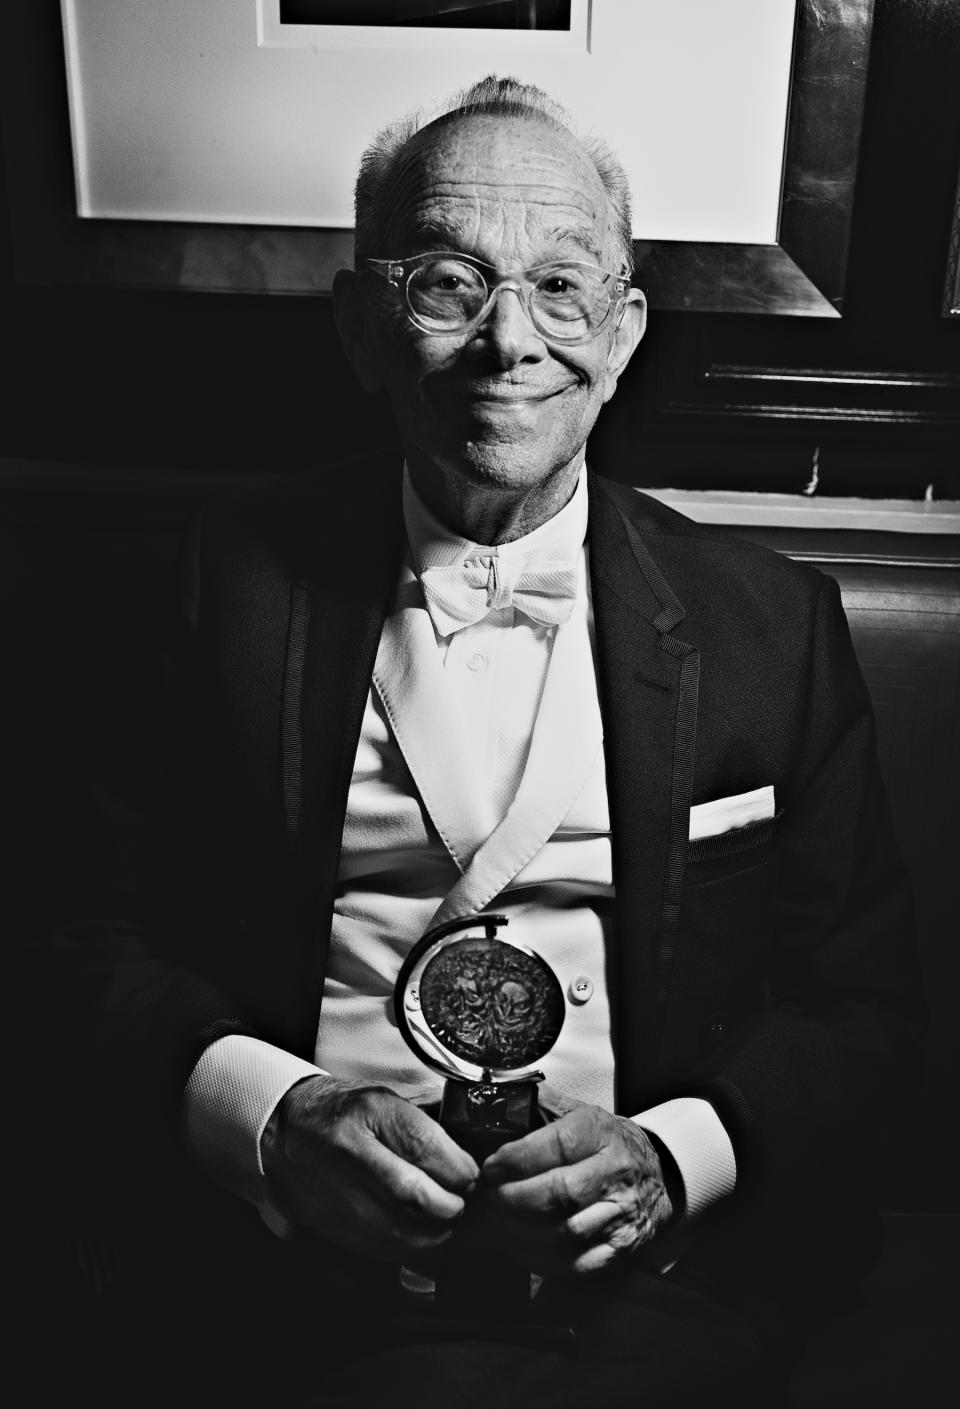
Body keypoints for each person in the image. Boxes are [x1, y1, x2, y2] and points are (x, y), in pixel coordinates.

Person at [41, 76, 921, 1409]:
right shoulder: (211, 583)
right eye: (449, 281)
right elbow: (74, 932)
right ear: (360, 325)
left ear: (623, 335)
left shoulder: (773, 627)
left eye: (561, 288)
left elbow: (865, 1002)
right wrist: (269, 1119)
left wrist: (678, 1157)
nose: (512, 340)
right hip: (275, 1282)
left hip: (661, 1295)